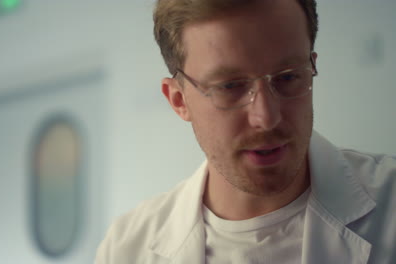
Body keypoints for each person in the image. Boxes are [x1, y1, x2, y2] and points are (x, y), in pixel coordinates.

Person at [96, 0, 396, 263]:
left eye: (289, 77)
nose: (266, 118)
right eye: (229, 86)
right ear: (179, 100)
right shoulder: (126, 250)